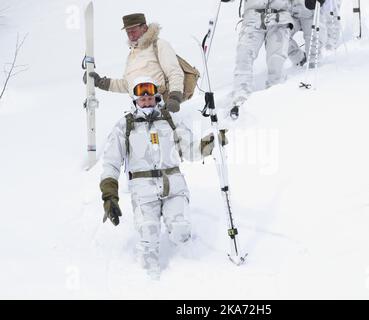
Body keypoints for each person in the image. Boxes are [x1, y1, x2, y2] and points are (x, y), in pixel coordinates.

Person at [99, 77, 225, 280]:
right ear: (135, 100)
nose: (147, 100)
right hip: (143, 189)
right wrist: (109, 194)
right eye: (142, 97)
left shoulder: (170, 120)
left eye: (150, 96)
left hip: (173, 184)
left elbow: (189, 151)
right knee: (148, 238)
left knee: (181, 233)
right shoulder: (125, 125)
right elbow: (111, 161)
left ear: (156, 97)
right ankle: (150, 284)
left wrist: (210, 143)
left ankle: (188, 275)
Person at [84, 13, 184, 112]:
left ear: (144, 28)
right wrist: (101, 82)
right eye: (128, 32)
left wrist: (175, 97)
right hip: (139, 109)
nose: (131, 36)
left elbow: (174, 73)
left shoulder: (159, 45)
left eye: (133, 31)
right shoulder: (132, 54)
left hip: (161, 106)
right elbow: (127, 85)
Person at [221, 0, 294, 119]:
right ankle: (240, 98)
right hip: (252, 18)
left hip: (280, 18)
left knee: (276, 61)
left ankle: (275, 98)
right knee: (244, 55)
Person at [288, 0, 327, 69]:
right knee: (279, 35)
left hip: (310, 11)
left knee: (313, 39)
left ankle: (313, 65)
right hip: (291, 13)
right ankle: (300, 58)